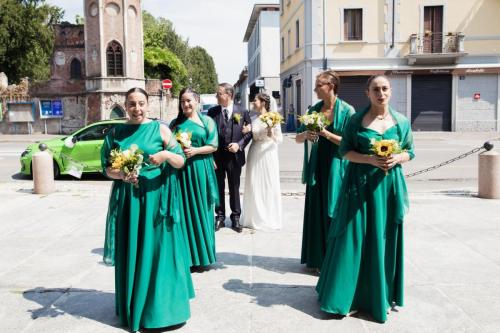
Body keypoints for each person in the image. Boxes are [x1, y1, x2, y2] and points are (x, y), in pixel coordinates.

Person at [316, 75, 415, 323]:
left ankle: (377, 297)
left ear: (390, 92)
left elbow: (410, 151)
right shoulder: (356, 120)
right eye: (375, 89)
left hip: (387, 189)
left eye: (384, 89)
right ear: (367, 93)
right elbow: (344, 150)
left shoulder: (401, 121)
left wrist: (397, 159)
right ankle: (344, 298)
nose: (381, 93)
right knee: (352, 237)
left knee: (381, 239)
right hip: (358, 187)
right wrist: (369, 159)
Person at [101, 87, 194, 331]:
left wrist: (164, 154)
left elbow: (180, 161)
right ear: (125, 105)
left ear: (148, 104)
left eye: (141, 103)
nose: (137, 108)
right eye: (132, 104)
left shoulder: (161, 129)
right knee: (134, 249)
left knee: (159, 253)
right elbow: (106, 168)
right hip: (129, 202)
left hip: (157, 201)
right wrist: (122, 174)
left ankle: (162, 311)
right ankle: (136, 308)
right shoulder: (116, 133)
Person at [295, 70, 355, 270]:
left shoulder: (347, 111)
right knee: (316, 208)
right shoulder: (314, 109)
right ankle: (316, 258)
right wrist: (307, 134)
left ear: (331, 86)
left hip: (337, 164)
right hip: (317, 163)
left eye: (318, 85)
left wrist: (325, 133)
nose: (315, 89)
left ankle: (333, 260)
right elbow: (297, 137)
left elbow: (350, 142)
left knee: (333, 209)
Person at [170, 87, 219, 270]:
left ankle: (203, 255)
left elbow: (213, 145)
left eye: (189, 100)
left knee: (202, 209)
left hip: (200, 169)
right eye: (182, 101)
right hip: (181, 170)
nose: (186, 104)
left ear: (197, 101)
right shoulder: (175, 124)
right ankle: (186, 257)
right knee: (183, 211)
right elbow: (168, 145)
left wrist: (195, 151)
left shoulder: (207, 121)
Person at [207, 83, 252, 233]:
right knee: (218, 187)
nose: (216, 96)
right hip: (217, 157)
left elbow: (249, 132)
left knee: (234, 187)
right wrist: (210, 156)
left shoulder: (243, 111)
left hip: (234, 157)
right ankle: (219, 217)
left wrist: (239, 145)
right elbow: (208, 135)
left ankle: (235, 217)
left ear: (229, 95)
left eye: (219, 93)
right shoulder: (212, 112)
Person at [240, 93, 283, 230]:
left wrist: (272, 134)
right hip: (254, 151)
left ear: (263, 102)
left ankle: (267, 217)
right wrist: (246, 129)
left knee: (267, 184)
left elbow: (279, 139)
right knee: (253, 183)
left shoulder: (272, 117)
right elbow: (249, 133)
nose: (253, 102)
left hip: (267, 153)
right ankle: (253, 217)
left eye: (256, 100)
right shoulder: (254, 118)